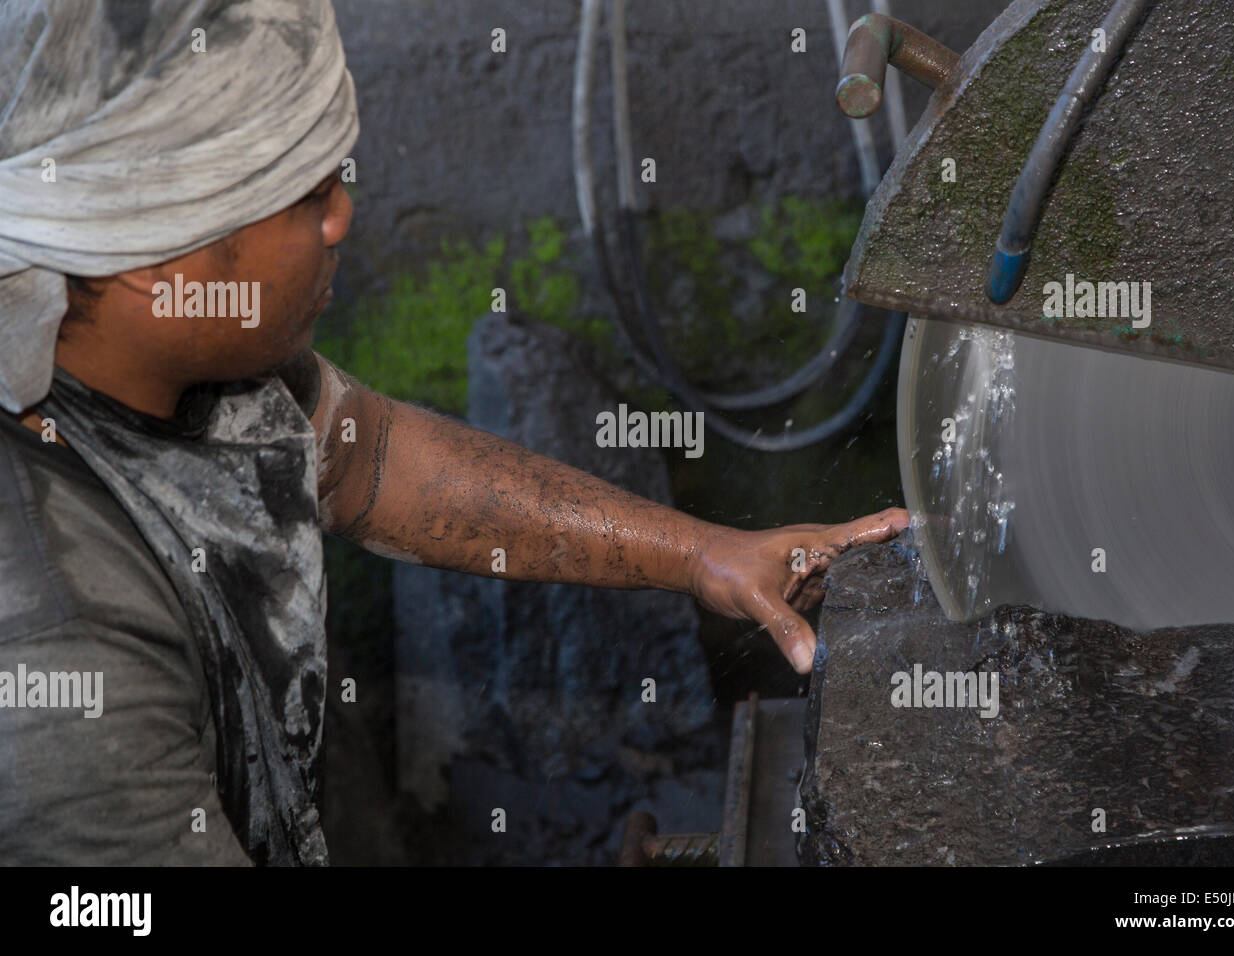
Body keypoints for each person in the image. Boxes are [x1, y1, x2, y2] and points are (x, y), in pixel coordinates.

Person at [0, 0, 907, 865]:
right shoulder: (66, 672)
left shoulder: (174, 360)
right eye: (305, 196)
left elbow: (369, 459)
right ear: (150, 262)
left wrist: (705, 556)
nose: (344, 217)